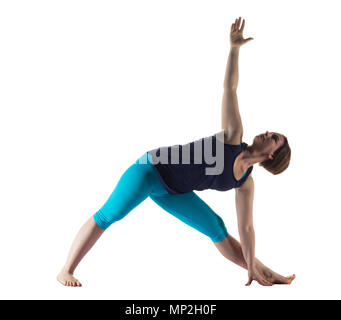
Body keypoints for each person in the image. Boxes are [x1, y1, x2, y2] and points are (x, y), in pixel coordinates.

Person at [57, 17, 295, 287]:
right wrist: (234, 49)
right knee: (109, 215)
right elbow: (230, 88)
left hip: (174, 192)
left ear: (272, 155)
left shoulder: (245, 183)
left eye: (273, 137)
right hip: (150, 170)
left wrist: (251, 262)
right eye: (271, 132)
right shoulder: (233, 137)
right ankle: (66, 269)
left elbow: (247, 229)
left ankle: (260, 271)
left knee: (216, 227)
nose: (267, 132)